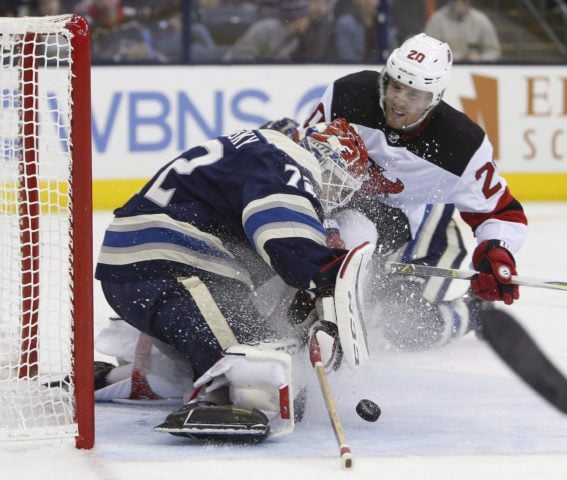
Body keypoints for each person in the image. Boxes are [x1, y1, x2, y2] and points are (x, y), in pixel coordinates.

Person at [95, 119, 370, 440]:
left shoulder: (259, 150)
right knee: (262, 368)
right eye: (339, 183)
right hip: (170, 267)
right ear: (326, 160)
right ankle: (217, 401)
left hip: (141, 267)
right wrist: (325, 275)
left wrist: (308, 301)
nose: (335, 196)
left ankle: (115, 377)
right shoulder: (289, 164)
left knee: (256, 361)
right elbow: (285, 236)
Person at [299, 33, 527, 350]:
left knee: (407, 325)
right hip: (358, 218)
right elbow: (303, 156)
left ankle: (472, 312)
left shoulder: (461, 145)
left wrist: (496, 252)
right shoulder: (348, 94)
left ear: (435, 97)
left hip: (426, 233)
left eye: (414, 94)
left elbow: (502, 211)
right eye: (395, 86)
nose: (399, 100)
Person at [222, 0, 311, 61]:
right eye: (307, 17)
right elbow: (242, 57)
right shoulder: (264, 29)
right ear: (298, 19)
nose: (308, 21)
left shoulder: (296, 37)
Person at [424, 0, 501, 61]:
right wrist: (454, 58)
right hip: (443, 72)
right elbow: (428, 51)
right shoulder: (436, 20)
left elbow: (494, 52)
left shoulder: (481, 20)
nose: (459, 2)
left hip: (475, 72)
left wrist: (479, 59)